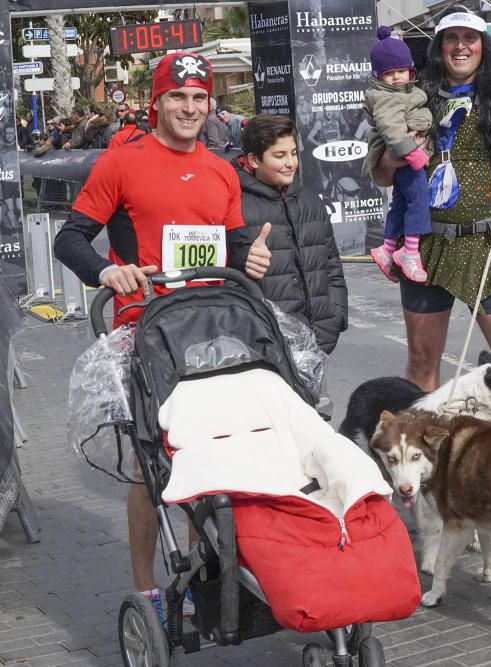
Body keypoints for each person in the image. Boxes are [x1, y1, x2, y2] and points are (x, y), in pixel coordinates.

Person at [52, 53, 271, 614]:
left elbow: (235, 245)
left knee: (213, 452)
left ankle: (201, 572)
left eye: (199, 98)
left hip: (213, 327)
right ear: (157, 103)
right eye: (178, 97)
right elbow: (70, 239)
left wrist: (255, 257)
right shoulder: (121, 163)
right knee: (150, 462)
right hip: (145, 329)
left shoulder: (222, 170)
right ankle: (146, 586)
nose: (190, 108)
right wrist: (106, 270)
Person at [369, 3, 491, 391]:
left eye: (469, 38)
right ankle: (426, 450)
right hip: (424, 245)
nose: (460, 46)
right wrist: (392, 157)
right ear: (438, 46)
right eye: (451, 38)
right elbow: (380, 172)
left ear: (482, 46)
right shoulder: (412, 93)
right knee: (422, 364)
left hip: (485, 245)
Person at [235, 114, 348, 352]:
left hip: (320, 340)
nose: (290, 163)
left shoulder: (310, 201)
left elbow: (332, 266)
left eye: (294, 153)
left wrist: (335, 316)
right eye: (280, 155)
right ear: (253, 160)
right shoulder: (233, 206)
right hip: (265, 347)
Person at [364, 26, 433, 283]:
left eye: (401, 72)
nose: (396, 78)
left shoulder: (406, 93)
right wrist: (412, 154)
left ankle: (388, 247)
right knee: (418, 199)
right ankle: (410, 251)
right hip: (407, 154)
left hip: (408, 152)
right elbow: (392, 129)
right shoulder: (385, 97)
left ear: (410, 71)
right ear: (378, 76)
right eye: (389, 73)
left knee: (401, 203)